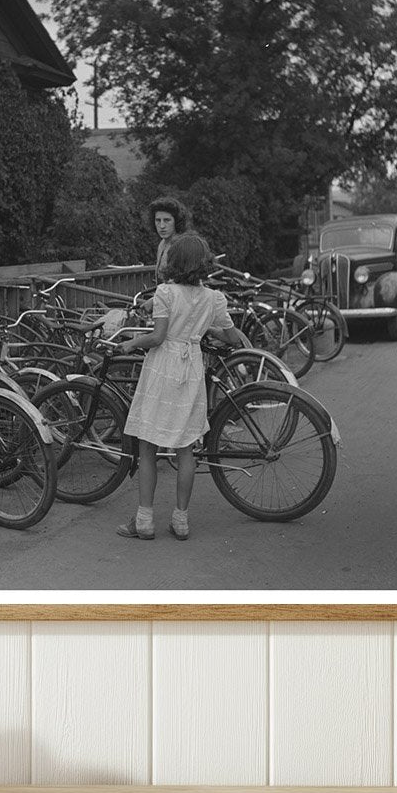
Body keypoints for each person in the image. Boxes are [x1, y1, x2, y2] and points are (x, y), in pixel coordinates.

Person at [115, 233, 242, 542]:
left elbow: (157, 337)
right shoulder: (214, 298)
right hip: (191, 369)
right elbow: (232, 338)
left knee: (148, 445)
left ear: (174, 263)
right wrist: (202, 330)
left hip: (162, 368)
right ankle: (181, 520)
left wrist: (132, 343)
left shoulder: (165, 293)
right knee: (186, 447)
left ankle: (144, 520)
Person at [146, 196, 190, 283]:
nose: (162, 226)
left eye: (167, 220)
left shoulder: (183, 245)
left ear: (177, 221)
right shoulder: (162, 244)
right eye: (158, 220)